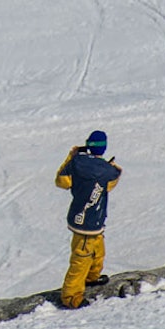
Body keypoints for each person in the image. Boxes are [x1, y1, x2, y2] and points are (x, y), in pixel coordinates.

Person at [54, 130, 122, 309]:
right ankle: (71, 296)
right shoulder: (109, 170)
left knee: (96, 250)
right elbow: (110, 184)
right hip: (91, 221)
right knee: (82, 258)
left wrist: (71, 157)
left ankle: (91, 277)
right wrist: (114, 168)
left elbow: (62, 181)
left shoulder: (76, 162)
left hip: (81, 219)